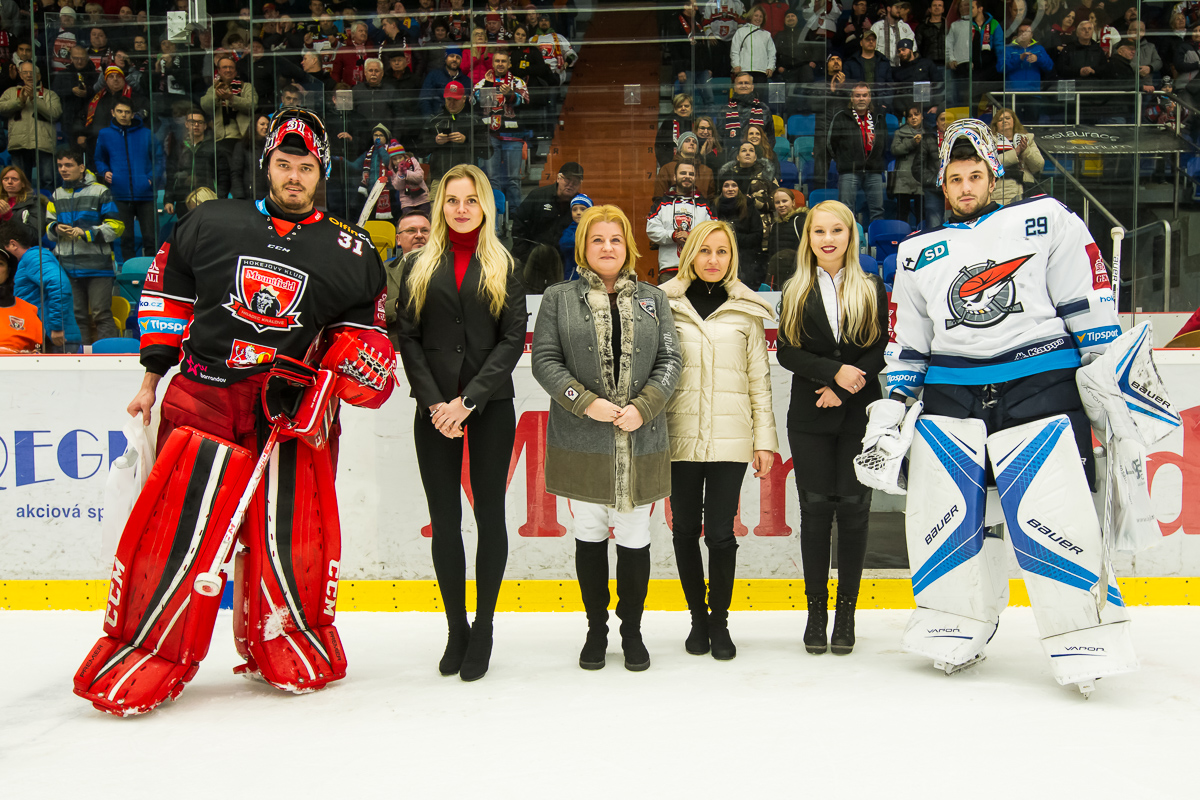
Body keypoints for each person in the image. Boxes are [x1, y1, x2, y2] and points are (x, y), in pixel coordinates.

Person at [74, 107, 396, 717]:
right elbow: (167, 290)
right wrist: (151, 376)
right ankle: (143, 649)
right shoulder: (212, 220)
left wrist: (357, 361)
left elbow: (365, 335)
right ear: (267, 165)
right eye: (285, 164)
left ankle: (289, 642)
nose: (294, 176)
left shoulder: (353, 251)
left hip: (290, 416)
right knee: (174, 533)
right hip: (206, 397)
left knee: (291, 536)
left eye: (306, 167)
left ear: (322, 174)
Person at [870, 119, 1135, 692]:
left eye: (975, 176)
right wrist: (893, 409)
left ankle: (1082, 638)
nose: (965, 187)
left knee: (1057, 514)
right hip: (952, 395)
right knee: (949, 520)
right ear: (943, 185)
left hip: (1040, 384)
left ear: (994, 176)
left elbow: (1089, 307)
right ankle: (953, 626)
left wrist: (1109, 382)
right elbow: (909, 345)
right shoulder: (915, 254)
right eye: (955, 178)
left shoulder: (1047, 220)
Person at [531, 204, 681, 672]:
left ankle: (631, 632)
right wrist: (583, 401)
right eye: (597, 239)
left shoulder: (654, 299)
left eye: (616, 239)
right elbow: (544, 361)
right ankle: (596, 630)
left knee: (635, 536)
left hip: (641, 438)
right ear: (583, 247)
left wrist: (645, 406)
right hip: (582, 439)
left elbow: (671, 361)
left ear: (629, 247)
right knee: (590, 534)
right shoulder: (558, 298)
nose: (607, 247)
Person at [395, 164, 526, 682]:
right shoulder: (418, 264)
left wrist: (467, 401)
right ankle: (457, 629)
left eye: (471, 200)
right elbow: (407, 336)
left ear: (485, 206)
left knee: (490, 515)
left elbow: (511, 340)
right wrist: (435, 404)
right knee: (445, 520)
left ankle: (485, 628)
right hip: (433, 410)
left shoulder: (504, 264)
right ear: (439, 206)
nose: (462, 209)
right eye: (452, 200)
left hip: (488, 405)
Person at [661, 219, 776, 660]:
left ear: (733, 258)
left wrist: (764, 440)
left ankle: (719, 622)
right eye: (705, 250)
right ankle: (697, 619)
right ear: (690, 253)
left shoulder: (746, 310)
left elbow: (759, 381)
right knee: (685, 530)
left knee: (721, 534)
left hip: (731, 438)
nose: (713, 259)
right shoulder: (664, 304)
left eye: (722, 251)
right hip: (678, 436)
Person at [777, 200, 887, 655]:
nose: (828, 239)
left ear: (850, 235)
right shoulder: (794, 288)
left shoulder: (872, 286)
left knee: (856, 513)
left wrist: (843, 386)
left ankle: (846, 617)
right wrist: (831, 373)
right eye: (819, 231)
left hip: (859, 413)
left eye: (836, 230)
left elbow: (880, 347)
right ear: (808, 238)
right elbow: (787, 351)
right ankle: (816, 615)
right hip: (810, 417)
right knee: (816, 513)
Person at [46, 146, 123, 345]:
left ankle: (109, 355)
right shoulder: (56, 195)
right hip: (67, 266)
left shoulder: (100, 191)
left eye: (68, 165)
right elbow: (48, 229)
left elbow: (116, 227)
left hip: (98, 266)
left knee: (101, 313)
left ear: (81, 167)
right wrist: (56, 229)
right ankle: (83, 355)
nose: (63, 169)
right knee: (77, 315)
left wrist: (85, 233)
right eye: (60, 165)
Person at [94, 98, 162, 261]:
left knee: (151, 238)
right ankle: (128, 271)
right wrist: (105, 171)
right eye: (120, 111)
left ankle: (152, 271)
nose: (123, 115)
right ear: (113, 113)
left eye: (127, 112)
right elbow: (99, 158)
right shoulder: (105, 134)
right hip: (119, 193)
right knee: (125, 238)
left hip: (145, 193)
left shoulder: (146, 134)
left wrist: (150, 178)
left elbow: (159, 159)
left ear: (132, 114)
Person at [0, 220, 80, 352]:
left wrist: (57, 327)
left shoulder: (34, 257)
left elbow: (59, 285)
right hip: (45, 336)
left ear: (13, 244)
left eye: (4, 247)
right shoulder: (29, 259)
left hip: (56, 338)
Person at [474, 51, 530, 215]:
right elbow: (473, 101)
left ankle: (515, 213)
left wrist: (511, 95)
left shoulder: (517, 82)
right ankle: (495, 213)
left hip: (513, 136)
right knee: (493, 178)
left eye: (503, 61)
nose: (500, 64)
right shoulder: (483, 81)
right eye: (497, 61)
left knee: (513, 178)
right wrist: (487, 86)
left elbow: (526, 100)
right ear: (492, 63)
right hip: (490, 135)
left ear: (509, 64)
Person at [511, 162, 582, 278]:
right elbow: (519, 224)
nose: (571, 184)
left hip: (563, 265)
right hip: (531, 260)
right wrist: (525, 256)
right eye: (568, 179)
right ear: (559, 178)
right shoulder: (538, 196)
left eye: (576, 182)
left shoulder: (580, 206)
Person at [647, 161, 714, 284]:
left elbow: (713, 233)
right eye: (683, 173)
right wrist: (673, 236)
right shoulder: (661, 203)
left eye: (691, 174)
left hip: (697, 268)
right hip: (669, 269)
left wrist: (691, 237)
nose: (687, 176)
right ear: (674, 177)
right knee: (667, 297)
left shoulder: (705, 205)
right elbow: (652, 230)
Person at [0, 62, 62, 191]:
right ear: (20, 75)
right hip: (19, 143)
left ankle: (47, 203)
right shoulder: (11, 92)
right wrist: (20, 101)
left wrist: (34, 99)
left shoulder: (49, 94)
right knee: (19, 182)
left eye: (32, 72)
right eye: (25, 72)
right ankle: (21, 204)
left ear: (39, 76)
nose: (29, 75)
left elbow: (55, 113)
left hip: (43, 143)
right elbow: (1, 109)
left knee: (47, 180)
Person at [830, 83, 885, 224]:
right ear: (851, 98)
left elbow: (884, 142)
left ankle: (876, 237)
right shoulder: (841, 116)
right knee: (846, 210)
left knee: (878, 211)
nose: (861, 99)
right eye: (858, 95)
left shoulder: (878, 116)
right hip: (849, 170)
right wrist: (844, 160)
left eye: (864, 95)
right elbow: (831, 144)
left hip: (873, 170)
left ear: (869, 97)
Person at [420, 81, 492, 182]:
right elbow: (420, 151)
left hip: (467, 179)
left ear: (464, 99)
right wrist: (435, 141)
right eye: (449, 99)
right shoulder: (435, 121)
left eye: (455, 99)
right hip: (440, 178)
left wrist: (466, 140)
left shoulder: (475, 121)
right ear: (444, 98)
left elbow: (488, 153)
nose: (452, 103)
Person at [201, 55, 259, 165]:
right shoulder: (213, 88)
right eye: (225, 67)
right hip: (221, 137)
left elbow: (252, 105)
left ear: (235, 71)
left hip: (242, 137)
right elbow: (205, 106)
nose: (228, 70)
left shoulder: (246, 87)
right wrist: (217, 96)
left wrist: (231, 98)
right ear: (219, 71)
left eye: (231, 67)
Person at [714, 178, 764, 287]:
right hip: (720, 260)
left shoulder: (749, 207)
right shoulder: (714, 207)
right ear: (721, 189)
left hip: (746, 262)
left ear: (739, 189)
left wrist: (733, 237)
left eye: (734, 185)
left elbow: (757, 236)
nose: (730, 189)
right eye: (726, 185)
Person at [990, 107, 1044, 204]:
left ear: (1014, 121)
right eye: (1000, 120)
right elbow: (990, 164)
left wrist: (1025, 150)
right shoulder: (990, 142)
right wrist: (1015, 153)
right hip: (1002, 192)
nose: (1004, 121)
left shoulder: (1027, 139)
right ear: (996, 125)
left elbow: (1038, 166)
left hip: (1027, 190)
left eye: (1007, 118)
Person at [0, 248, 43, 353]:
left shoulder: (28, 310)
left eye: (0, 264)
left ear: (9, 271)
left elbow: (41, 352)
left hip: (17, 362)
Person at [891, 105, 927, 227]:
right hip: (903, 178)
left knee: (921, 214)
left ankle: (921, 235)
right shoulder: (899, 132)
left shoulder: (928, 133)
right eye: (910, 116)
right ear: (906, 119)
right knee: (902, 213)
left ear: (922, 116)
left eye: (916, 114)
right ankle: (900, 235)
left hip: (920, 178)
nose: (913, 118)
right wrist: (912, 143)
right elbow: (895, 150)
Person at [655, 131, 716, 201]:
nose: (692, 143)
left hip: (700, 207)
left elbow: (711, 199)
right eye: (687, 141)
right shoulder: (667, 169)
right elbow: (659, 197)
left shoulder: (707, 171)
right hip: (672, 207)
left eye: (694, 142)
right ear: (680, 147)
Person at [730, 4, 777, 93]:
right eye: (756, 15)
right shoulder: (740, 32)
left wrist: (771, 67)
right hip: (744, 70)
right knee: (744, 96)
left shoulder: (766, 34)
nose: (758, 18)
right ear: (751, 16)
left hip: (761, 72)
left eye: (761, 16)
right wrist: (736, 65)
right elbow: (734, 51)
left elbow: (771, 53)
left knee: (759, 98)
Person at [721, 71, 772, 146]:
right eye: (740, 83)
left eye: (746, 83)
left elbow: (770, 138)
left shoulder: (763, 108)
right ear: (734, 87)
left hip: (759, 152)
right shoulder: (725, 109)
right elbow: (720, 137)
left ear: (752, 87)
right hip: (732, 152)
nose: (743, 86)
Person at [0, 165, 50, 241]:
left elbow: (34, 235)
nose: (9, 182)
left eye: (14, 179)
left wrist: (9, 217)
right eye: (6, 179)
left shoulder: (33, 203)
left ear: (23, 183)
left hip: (21, 246)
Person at [231, 113, 272, 201]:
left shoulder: (271, 147)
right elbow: (236, 173)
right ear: (254, 126)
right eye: (262, 124)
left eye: (268, 125)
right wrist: (239, 197)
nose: (265, 127)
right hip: (248, 196)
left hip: (268, 197)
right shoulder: (242, 146)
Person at [557, 193, 592, 282]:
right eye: (574, 210)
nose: (578, 212)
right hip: (573, 274)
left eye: (583, 209)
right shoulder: (570, 230)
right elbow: (564, 244)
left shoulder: (595, 228)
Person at [767, 186, 805, 262]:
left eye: (784, 201)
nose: (781, 205)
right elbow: (771, 252)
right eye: (777, 202)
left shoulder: (799, 220)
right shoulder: (774, 225)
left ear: (793, 202)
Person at [655, 93, 695, 167]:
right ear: (675, 110)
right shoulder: (668, 122)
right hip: (672, 164)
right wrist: (667, 165)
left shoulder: (696, 123)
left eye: (686, 106)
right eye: (679, 106)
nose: (683, 108)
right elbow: (660, 146)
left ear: (691, 109)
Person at [915, 0, 947, 67]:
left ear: (943, 9)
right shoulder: (922, 27)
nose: (937, 7)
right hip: (928, 64)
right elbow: (917, 46)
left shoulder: (949, 26)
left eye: (939, 5)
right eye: (934, 5)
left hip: (947, 64)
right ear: (930, 9)